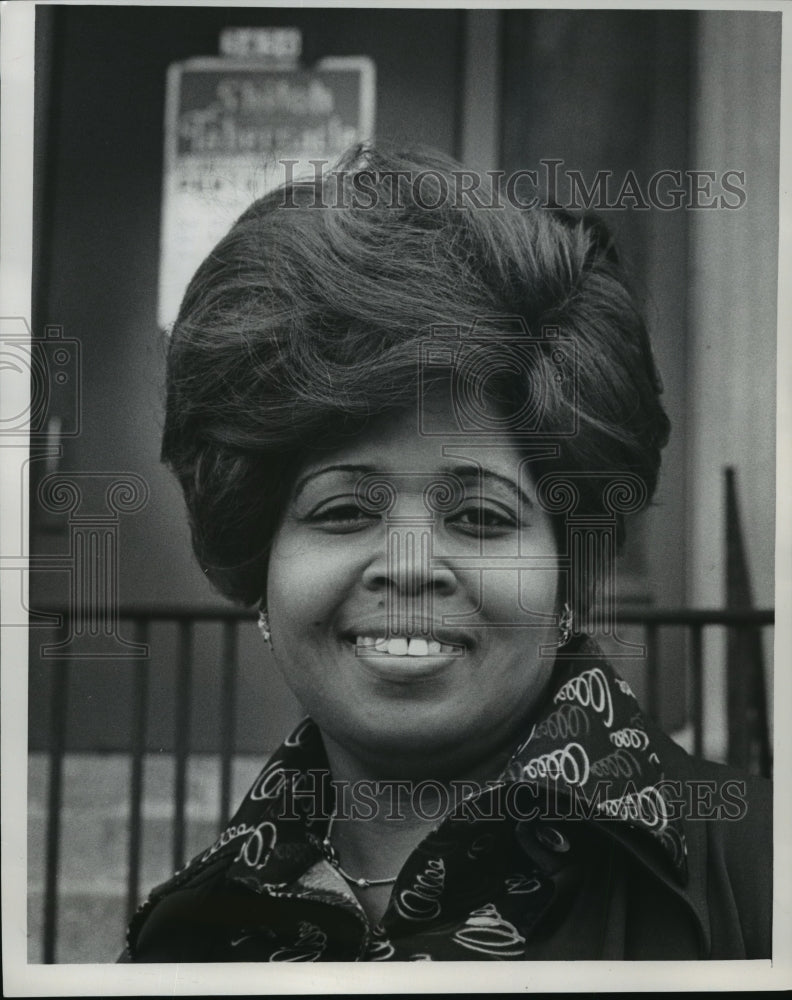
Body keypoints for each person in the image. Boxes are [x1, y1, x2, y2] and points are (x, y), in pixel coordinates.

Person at [122, 145, 771, 961]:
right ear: (262, 570)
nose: (409, 563)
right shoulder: (184, 942)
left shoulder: (762, 884)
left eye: (481, 517)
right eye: (343, 510)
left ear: (568, 570)